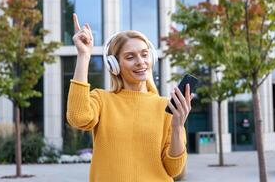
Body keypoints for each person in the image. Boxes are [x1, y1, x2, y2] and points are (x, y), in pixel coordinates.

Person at [66, 13, 193, 182]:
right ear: (115, 65)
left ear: (152, 58)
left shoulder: (166, 107)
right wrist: (83, 56)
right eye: (130, 57)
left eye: (144, 54)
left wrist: (177, 127)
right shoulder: (102, 99)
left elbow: (174, 169)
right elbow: (78, 117)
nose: (140, 62)